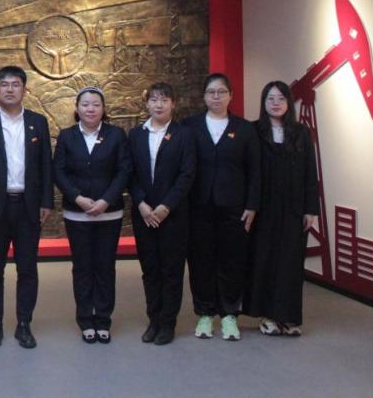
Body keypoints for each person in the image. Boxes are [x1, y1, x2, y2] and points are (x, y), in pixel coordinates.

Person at [0, 65, 53, 349]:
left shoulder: (38, 122)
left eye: (15, 84)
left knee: (27, 269)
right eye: (4, 85)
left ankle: (24, 324)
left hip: (28, 206)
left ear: (24, 90)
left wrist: (46, 201)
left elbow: (46, 165)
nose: (10, 89)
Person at [182, 73, 260, 341]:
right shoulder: (189, 126)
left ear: (230, 96)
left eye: (221, 92)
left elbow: (255, 171)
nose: (216, 97)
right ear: (204, 96)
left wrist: (252, 204)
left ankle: (229, 314)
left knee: (232, 260)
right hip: (198, 205)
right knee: (200, 260)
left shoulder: (245, 128)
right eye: (211, 92)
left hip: (234, 206)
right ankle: (205, 313)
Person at [53, 86, 131, 344]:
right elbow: (59, 171)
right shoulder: (67, 136)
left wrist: (106, 200)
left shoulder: (116, 135)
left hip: (110, 214)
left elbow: (124, 170)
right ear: (77, 108)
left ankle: (103, 319)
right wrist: (78, 198)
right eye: (85, 104)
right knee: (83, 267)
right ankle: (86, 319)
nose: (90, 109)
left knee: (105, 267)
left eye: (96, 104)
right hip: (77, 214)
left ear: (103, 109)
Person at [245, 81, 319, 336]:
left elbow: (311, 173)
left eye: (280, 98)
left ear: (288, 102)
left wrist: (311, 209)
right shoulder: (254, 131)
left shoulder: (301, 132)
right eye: (270, 98)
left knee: (290, 263)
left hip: (294, 209)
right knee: (264, 260)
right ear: (263, 103)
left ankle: (288, 317)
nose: (275, 103)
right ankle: (267, 315)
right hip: (263, 208)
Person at [127, 82, 196, 345]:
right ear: (147, 104)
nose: (159, 104)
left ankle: (168, 323)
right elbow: (129, 173)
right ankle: (153, 320)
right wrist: (142, 204)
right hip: (144, 214)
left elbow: (187, 174)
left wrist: (166, 206)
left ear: (173, 104)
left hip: (173, 214)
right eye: (154, 100)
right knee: (150, 269)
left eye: (164, 100)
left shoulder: (184, 134)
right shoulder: (136, 134)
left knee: (171, 270)